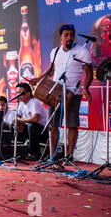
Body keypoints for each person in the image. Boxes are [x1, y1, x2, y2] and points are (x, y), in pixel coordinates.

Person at [30, 24, 93, 162]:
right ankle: (52, 155)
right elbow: (51, 71)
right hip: (55, 91)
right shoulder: (55, 52)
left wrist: (86, 88)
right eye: (66, 35)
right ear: (61, 37)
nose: (69, 37)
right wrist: (38, 79)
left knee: (72, 124)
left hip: (73, 93)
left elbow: (89, 73)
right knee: (53, 125)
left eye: (72, 34)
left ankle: (69, 155)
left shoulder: (82, 51)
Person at [14, 82, 48, 161]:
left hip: (44, 132)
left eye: (20, 93)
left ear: (28, 93)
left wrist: (21, 121)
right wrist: (18, 122)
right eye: (17, 93)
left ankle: (34, 153)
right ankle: (20, 151)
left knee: (32, 126)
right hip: (32, 129)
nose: (18, 95)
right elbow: (17, 116)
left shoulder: (34, 102)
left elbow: (35, 119)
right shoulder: (21, 103)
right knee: (14, 126)